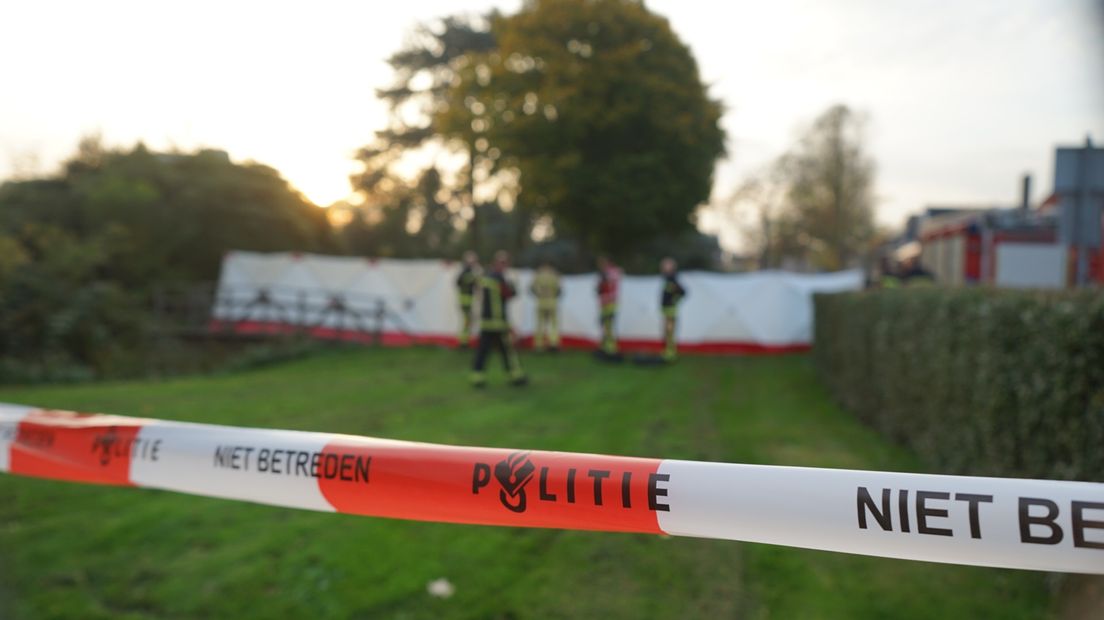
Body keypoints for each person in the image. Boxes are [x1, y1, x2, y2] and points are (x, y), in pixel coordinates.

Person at [471, 250, 528, 388]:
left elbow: (476, 290)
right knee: (508, 351)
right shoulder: (499, 278)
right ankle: (516, 376)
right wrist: (513, 285)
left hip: (486, 322)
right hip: (499, 322)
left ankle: (477, 377)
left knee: (483, 351)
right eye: (504, 263)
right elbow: (509, 294)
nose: (504, 266)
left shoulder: (485, 277)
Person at [530, 261, 561, 352]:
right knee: (553, 324)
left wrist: (538, 295)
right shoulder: (554, 275)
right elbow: (559, 289)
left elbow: (532, 288)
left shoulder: (538, 275)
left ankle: (538, 345)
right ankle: (553, 343)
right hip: (552, 302)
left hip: (541, 303)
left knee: (539, 324)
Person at [659, 257, 687, 362]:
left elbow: (683, 292)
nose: (663, 267)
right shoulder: (667, 278)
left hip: (671, 310)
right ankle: (668, 351)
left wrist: (674, 301)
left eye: (666, 265)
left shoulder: (673, 278)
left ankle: (670, 353)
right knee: (667, 332)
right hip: (666, 309)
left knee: (670, 332)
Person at [595, 255, 622, 358]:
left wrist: (604, 278)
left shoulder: (613, 272)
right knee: (604, 325)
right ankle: (606, 347)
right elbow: (600, 288)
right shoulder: (604, 273)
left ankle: (611, 348)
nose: (600, 266)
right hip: (603, 302)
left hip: (610, 303)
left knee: (609, 325)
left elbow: (611, 284)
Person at [455, 251, 480, 347]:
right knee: (467, 321)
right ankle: (463, 342)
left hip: (467, 301)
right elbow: (459, 283)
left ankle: (464, 340)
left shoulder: (467, 272)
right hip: (465, 301)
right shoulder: (466, 272)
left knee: (468, 321)